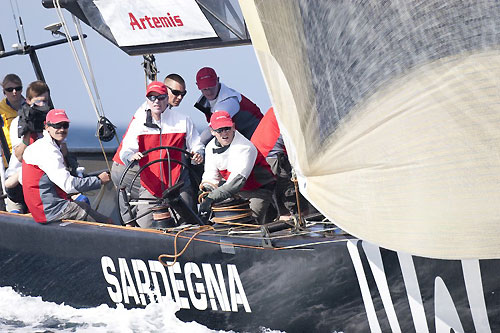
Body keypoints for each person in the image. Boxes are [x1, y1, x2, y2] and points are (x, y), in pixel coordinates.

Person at [119, 81, 204, 228]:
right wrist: (130, 156)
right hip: (150, 185)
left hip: (178, 184)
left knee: (187, 227)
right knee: (144, 228)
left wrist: (198, 154)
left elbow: (197, 145)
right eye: (152, 97)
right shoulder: (138, 123)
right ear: (147, 100)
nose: (156, 101)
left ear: (167, 99)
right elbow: (125, 151)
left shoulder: (183, 120)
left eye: (160, 97)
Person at [22, 109, 111, 224]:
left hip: (39, 210)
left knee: (83, 204)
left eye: (65, 125)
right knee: (108, 222)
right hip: (51, 211)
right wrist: (99, 180)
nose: (62, 129)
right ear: (47, 126)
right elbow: (68, 186)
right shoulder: (49, 151)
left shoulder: (37, 146)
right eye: (57, 126)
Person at [199, 111, 275, 224]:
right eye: (219, 130)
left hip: (258, 190)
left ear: (233, 127)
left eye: (227, 128)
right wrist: (207, 192)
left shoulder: (245, 147)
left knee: (248, 224)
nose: (224, 133)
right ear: (212, 132)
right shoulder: (210, 147)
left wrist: (211, 198)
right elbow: (211, 175)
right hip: (236, 192)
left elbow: (235, 182)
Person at [251, 107, 309, 218]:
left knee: (281, 196)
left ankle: (286, 217)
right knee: (291, 196)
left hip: (260, 155)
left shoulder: (280, 105)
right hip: (273, 156)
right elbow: (296, 143)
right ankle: (293, 220)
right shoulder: (289, 111)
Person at [4, 81, 51, 213]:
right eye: (38, 102)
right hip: (19, 177)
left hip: (43, 177)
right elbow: (19, 156)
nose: (42, 105)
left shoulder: (51, 122)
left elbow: (61, 153)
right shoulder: (17, 123)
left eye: (45, 102)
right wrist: (27, 133)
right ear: (29, 101)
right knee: (15, 213)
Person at [194, 67, 263, 144]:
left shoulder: (229, 101)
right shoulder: (206, 102)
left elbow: (211, 130)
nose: (209, 92)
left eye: (211, 87)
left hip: (259, 139)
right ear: (197, 85)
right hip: (241, 141)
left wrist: (196, 146)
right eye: (205, 89)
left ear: (218, 80)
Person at [0, 74, 25, 154]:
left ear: (21, 90)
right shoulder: (1, 109)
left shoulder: (31, 107)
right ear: (4, 92)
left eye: (17, 89)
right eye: (10, 89)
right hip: (8, 156)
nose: (14, 92)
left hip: (29, 152)